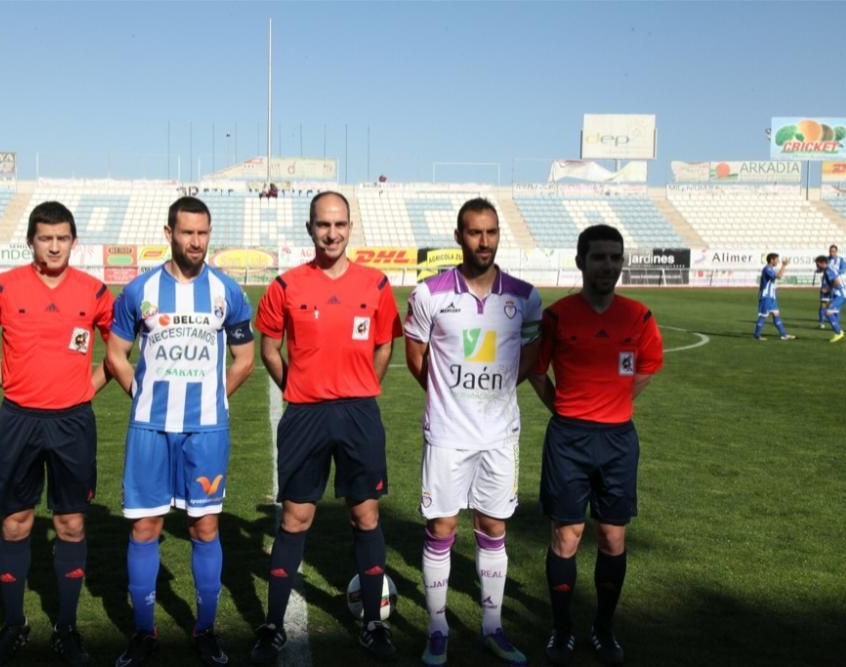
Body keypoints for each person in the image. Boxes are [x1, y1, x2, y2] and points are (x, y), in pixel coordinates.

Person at [250, 191, 403, 664]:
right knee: (296, 517)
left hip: (358, 414)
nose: (331, 233)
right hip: (305, 415)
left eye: (339, 225)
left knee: (366, 516)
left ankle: (373, 624)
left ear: (350, 226)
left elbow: (384, 347)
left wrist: (361, 388)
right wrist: (295, 389)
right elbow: (269, 348)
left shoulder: (375, 284)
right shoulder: (286, 285)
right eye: (322, 225)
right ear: (310, 228)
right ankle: (273, 626)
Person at [0, 201, 114, 667]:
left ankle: (65, 628)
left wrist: (90, 385)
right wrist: (9, 380)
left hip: (72, 423)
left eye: (62, 238)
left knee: (70, 524)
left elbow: (121, 348)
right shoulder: (4, 286)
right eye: (45, 238)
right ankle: (14, 626)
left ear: (73, 241)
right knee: (14, 523)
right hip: (19, 420)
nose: (53, 246)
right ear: (31, 240)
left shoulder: (94, 291)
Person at [104, 196, 255, 666]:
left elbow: (245, 358)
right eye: (187, 232)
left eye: (203, 233)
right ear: (168, 233)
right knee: (145, 528)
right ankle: (144, 632)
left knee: (204, 526)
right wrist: (141, 395)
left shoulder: (227, 292)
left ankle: (205, 629)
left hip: (206, 432)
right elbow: (115, 354)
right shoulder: (139, 291)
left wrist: (216, 397)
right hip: (150, 428)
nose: (196, 241)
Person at [404, 198, 541, 667]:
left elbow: (529, 356)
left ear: (499, 235)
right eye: (474, 232)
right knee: (442, 527)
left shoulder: (524, 296)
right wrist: (448, 396)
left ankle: (492, 626)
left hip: (500, 435)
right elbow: (416, 357)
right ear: (459, 236)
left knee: (493, 527)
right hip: (446, 434)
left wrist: (495, 389)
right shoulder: (429, 294)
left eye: (491, 232)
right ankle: (438, 628)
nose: (484, 241)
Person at [527, 224, 663, 667]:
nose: (608, 265)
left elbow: (645, 369)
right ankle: (562, 630)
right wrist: (564, 409)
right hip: (568, 437)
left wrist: (614, 404)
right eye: (599, 257)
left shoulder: (639, 316)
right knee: (567, 535)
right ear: (580, 261)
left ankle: (604, 630)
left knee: (611, 535)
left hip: (618, 439)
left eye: (614, 257)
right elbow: (536, 370)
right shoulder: (558, 315)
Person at [753, 253, 796, 341]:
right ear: (771, 260)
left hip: (771, 297)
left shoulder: (770, 269)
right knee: (763, 316)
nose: (778, 261)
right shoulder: (767, 269)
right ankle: (756, 335)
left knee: (776, 314)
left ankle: (784, 335)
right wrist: (784, 265)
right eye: (776, 259)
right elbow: (779, 276)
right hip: (766, 297)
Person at [815, 255, 846, 343]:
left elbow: (836, 282)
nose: (817, 267)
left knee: (828, 312)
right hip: (839, 295)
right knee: (833, 313)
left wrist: (827, 289)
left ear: (823, 263)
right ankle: (838, 331)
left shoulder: (828, 270)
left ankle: (838, 332)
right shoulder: (828, 270)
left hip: (840, 295)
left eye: (818, 265)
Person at [819, 245, 846, 328]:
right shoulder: (826, 260)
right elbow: (821, 269)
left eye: (833, 251)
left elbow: (845, 269)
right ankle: (821, 322)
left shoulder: (840, 260)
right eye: (830, 251)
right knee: (823, 303)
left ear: (836, 251)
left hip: (836, 284)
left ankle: (835, 324)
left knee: (835, 306)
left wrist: (835, 272)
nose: (832, 253)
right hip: (826, 284)